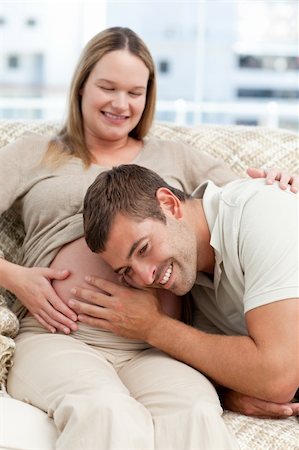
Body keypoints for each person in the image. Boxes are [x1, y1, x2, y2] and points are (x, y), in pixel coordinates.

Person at [1, 26, 296, 449]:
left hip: (154, 348)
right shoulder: (35, 152)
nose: (121, 104)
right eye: (107, 87)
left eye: (134, 92)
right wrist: (14, 277)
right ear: (81, 86)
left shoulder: (175, 157)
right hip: (62, 337)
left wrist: (280, 182)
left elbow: (241, 211)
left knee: (194, 413)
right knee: (105, 412)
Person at [78, 164, 299, 418]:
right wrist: (228, 395)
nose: (145, 277)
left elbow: (277, 377)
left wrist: (153, 327)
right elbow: (236, 365)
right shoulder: (194, 276)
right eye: (126, 271)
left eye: (143, 249)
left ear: (170, 205)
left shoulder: (263, 213)